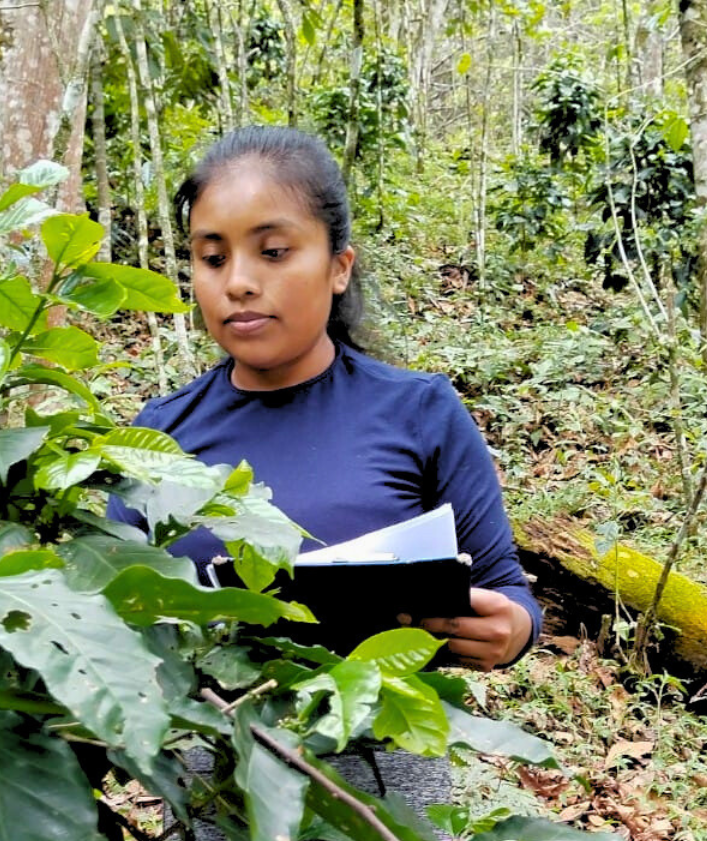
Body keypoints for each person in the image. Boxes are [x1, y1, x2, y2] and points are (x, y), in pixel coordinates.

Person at [107, 124, 541, 835]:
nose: (238, 281)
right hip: (220, 800)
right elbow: (106, 612)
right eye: (212, 257)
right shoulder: (159, 438)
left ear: (339, 267)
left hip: (386, 799)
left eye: (273, 252)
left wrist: (511, 629)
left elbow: (507, 590)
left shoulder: (420, 413)